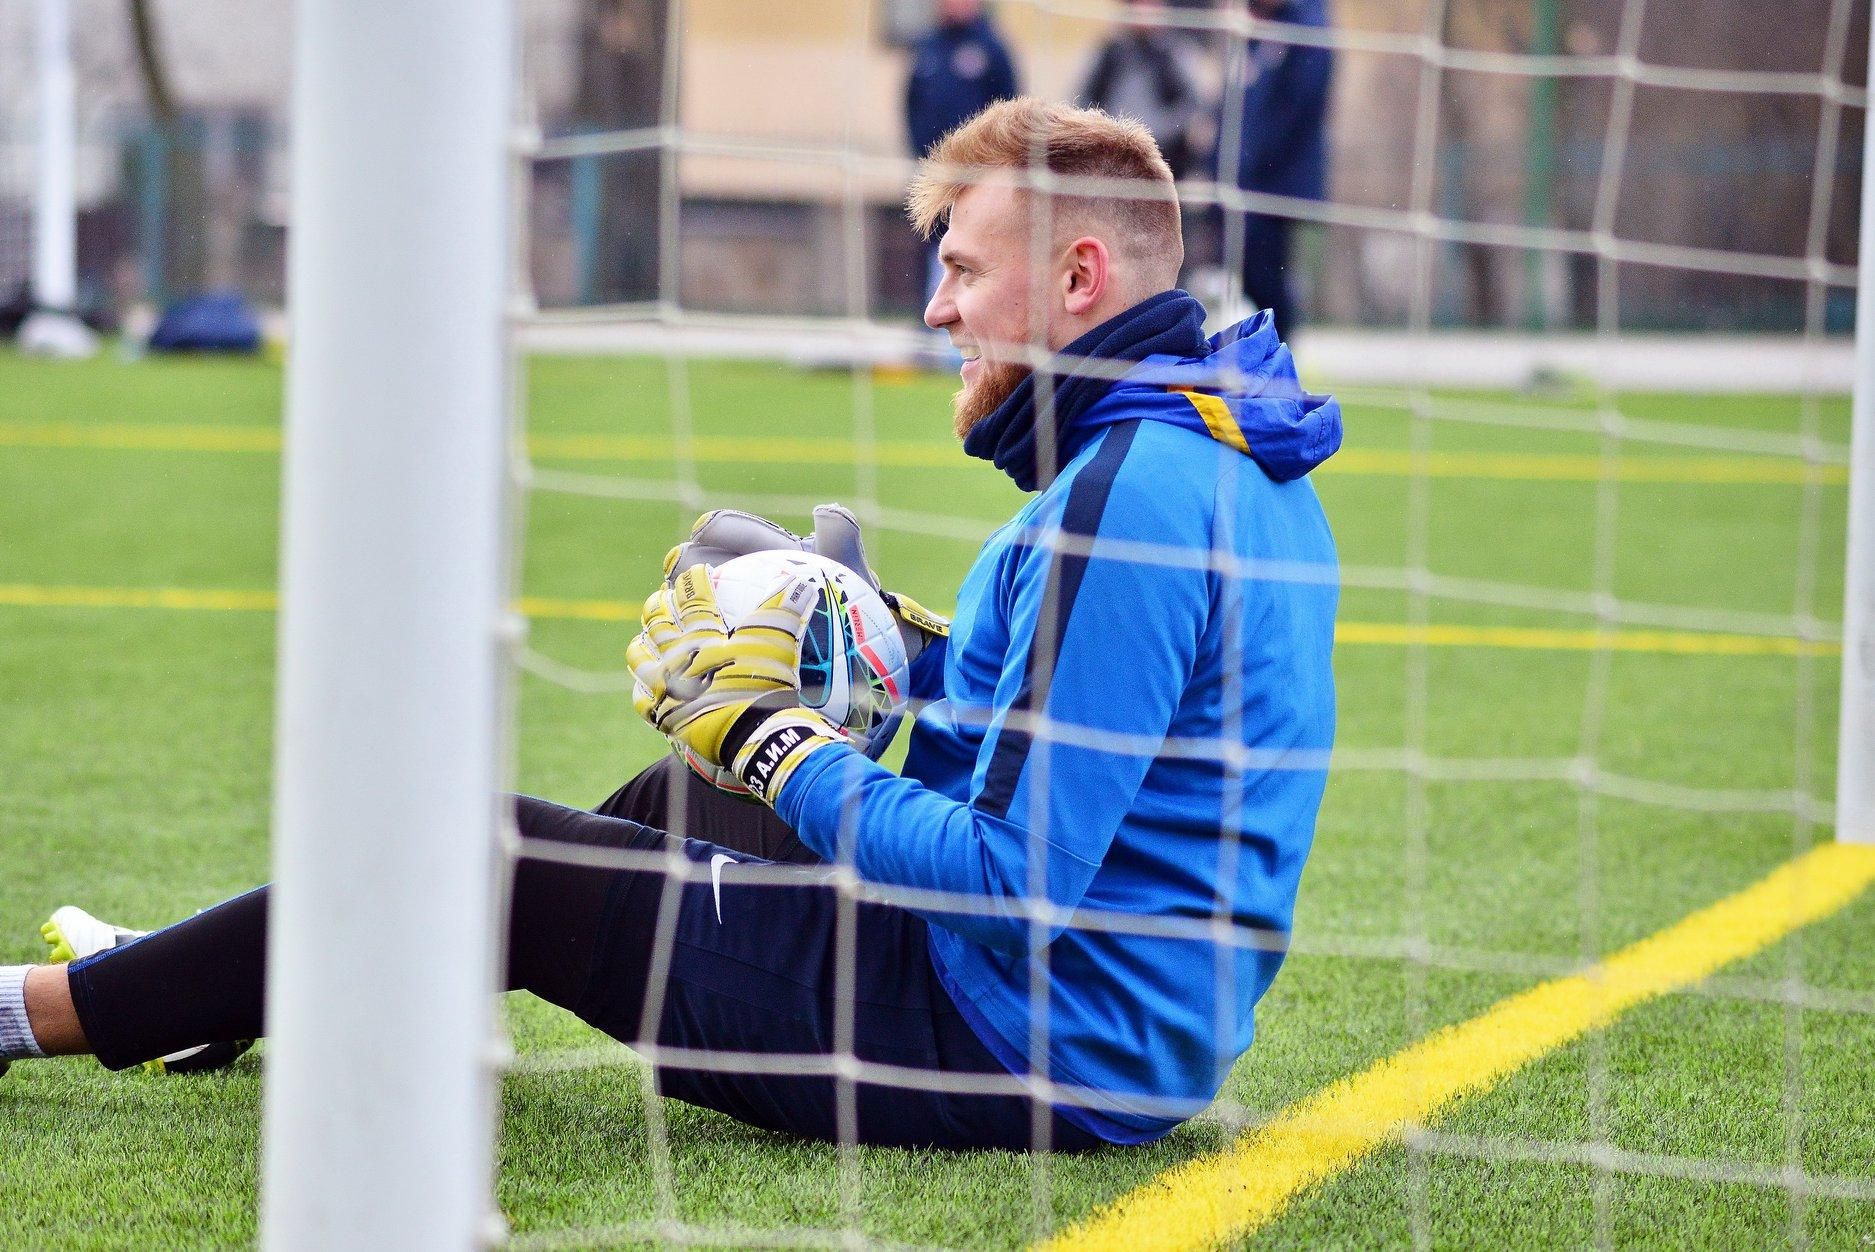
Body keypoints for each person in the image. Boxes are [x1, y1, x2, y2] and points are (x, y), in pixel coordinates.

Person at [0, 99, 1341, 1153]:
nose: (933, 311)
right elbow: (1089, 723)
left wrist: (779, 743)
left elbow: (1012, 884)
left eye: (963, 272)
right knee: (658, 798)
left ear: (1077, 277)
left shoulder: (1123, 496)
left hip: (1026, 1035)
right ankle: (212, 992)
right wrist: (892, 648)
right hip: (1111, 1008)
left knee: (498, 854)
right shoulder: (1209, 450)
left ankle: (33, 1013)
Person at [1219, 0, 1333, 335]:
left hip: (1276, 182)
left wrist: (1252, 157)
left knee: (1268, 277)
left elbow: (1295, 106)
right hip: (1249, 179)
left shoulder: (1306, 24)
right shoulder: (1262, 27)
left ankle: (1280, 352)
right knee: (1249, 273)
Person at [904, 0, 1020, 305]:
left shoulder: (992, 49)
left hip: (978, 178)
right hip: (934, 177)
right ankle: (927, 330)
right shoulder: (927, 48)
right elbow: (911, 105)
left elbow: (1009, 113)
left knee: (973, 251)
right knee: (931, 251)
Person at [1074, 0, 1204, 180]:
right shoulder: (1110, 52)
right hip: (1113, 157)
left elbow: (1191, 105)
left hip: (1163, 157)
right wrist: (1105, 132)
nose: (1144, 10)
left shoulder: (1173, 52)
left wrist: (1157, 133)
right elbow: (1082, 97)